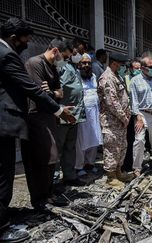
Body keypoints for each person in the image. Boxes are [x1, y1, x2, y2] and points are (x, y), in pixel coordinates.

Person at [0, 18, 75, 242]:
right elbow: (31, 88)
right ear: (14, 38)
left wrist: (54, 95)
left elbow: (55, 89)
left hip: (10, 122)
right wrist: (59, 110)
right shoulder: (7, 56)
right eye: (25, 40)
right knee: (4, 175)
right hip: (7, 122)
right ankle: (3, 228)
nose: (27, 44)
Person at [23, 37, 74, 210]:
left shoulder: (52, 67)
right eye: (65, 58)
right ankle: (39, 199)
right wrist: (54, 95)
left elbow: (59, 92)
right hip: (36, 116)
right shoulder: (34, 63)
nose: (65, 62)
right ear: (56, 51)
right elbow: (38, 93)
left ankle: (48, 194)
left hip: (49, 115)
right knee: (40, 158)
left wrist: (52, 93)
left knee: (52, 157)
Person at [98, 52, 133, 190]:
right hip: (111, 121)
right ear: (114, 63)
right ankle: (110, 177)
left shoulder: (116, 76)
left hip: (120, 122)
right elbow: (112, 102)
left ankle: (118, 172)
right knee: (112, 148)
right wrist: (124, 117)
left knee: (121, 147)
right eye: (121, 64)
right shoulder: (106, 78)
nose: (123, 67)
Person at [55, 43, 88, 186]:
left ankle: (69, 176)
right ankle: (54, 180)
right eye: (75, 53)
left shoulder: (73, 67)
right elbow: (57, 87)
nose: (77, 56)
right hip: (63, 114)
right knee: (58, 148)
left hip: (74, 114)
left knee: (70, 146)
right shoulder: (60, 66)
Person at [130, 56, 152, 176]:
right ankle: (137, 168)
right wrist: (138, 116)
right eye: (151, 67)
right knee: (139, 141)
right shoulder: (135, 80)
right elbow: (134, 100)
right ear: (143, 68)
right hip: (142, 114)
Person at [75, 54, 103, 176]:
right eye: (84, 63)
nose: (86, 65)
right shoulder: (76, 77)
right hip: (82, 113)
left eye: (88, 63)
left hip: (95, 112)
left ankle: (90, 164)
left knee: (94, 138)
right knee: (81, 140)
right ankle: (79, 166)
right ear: (79, 64)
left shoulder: (93, 77)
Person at [123, 59, 142, 172]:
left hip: (140, 113)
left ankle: (137, 164)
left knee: (139, 139)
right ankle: (127, 164)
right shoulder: (125, 79)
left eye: (140, 68)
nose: (138, 70)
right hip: (129, 114)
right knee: (129, 139)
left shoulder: (141, 80)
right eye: (136, 68)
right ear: (130, 69)